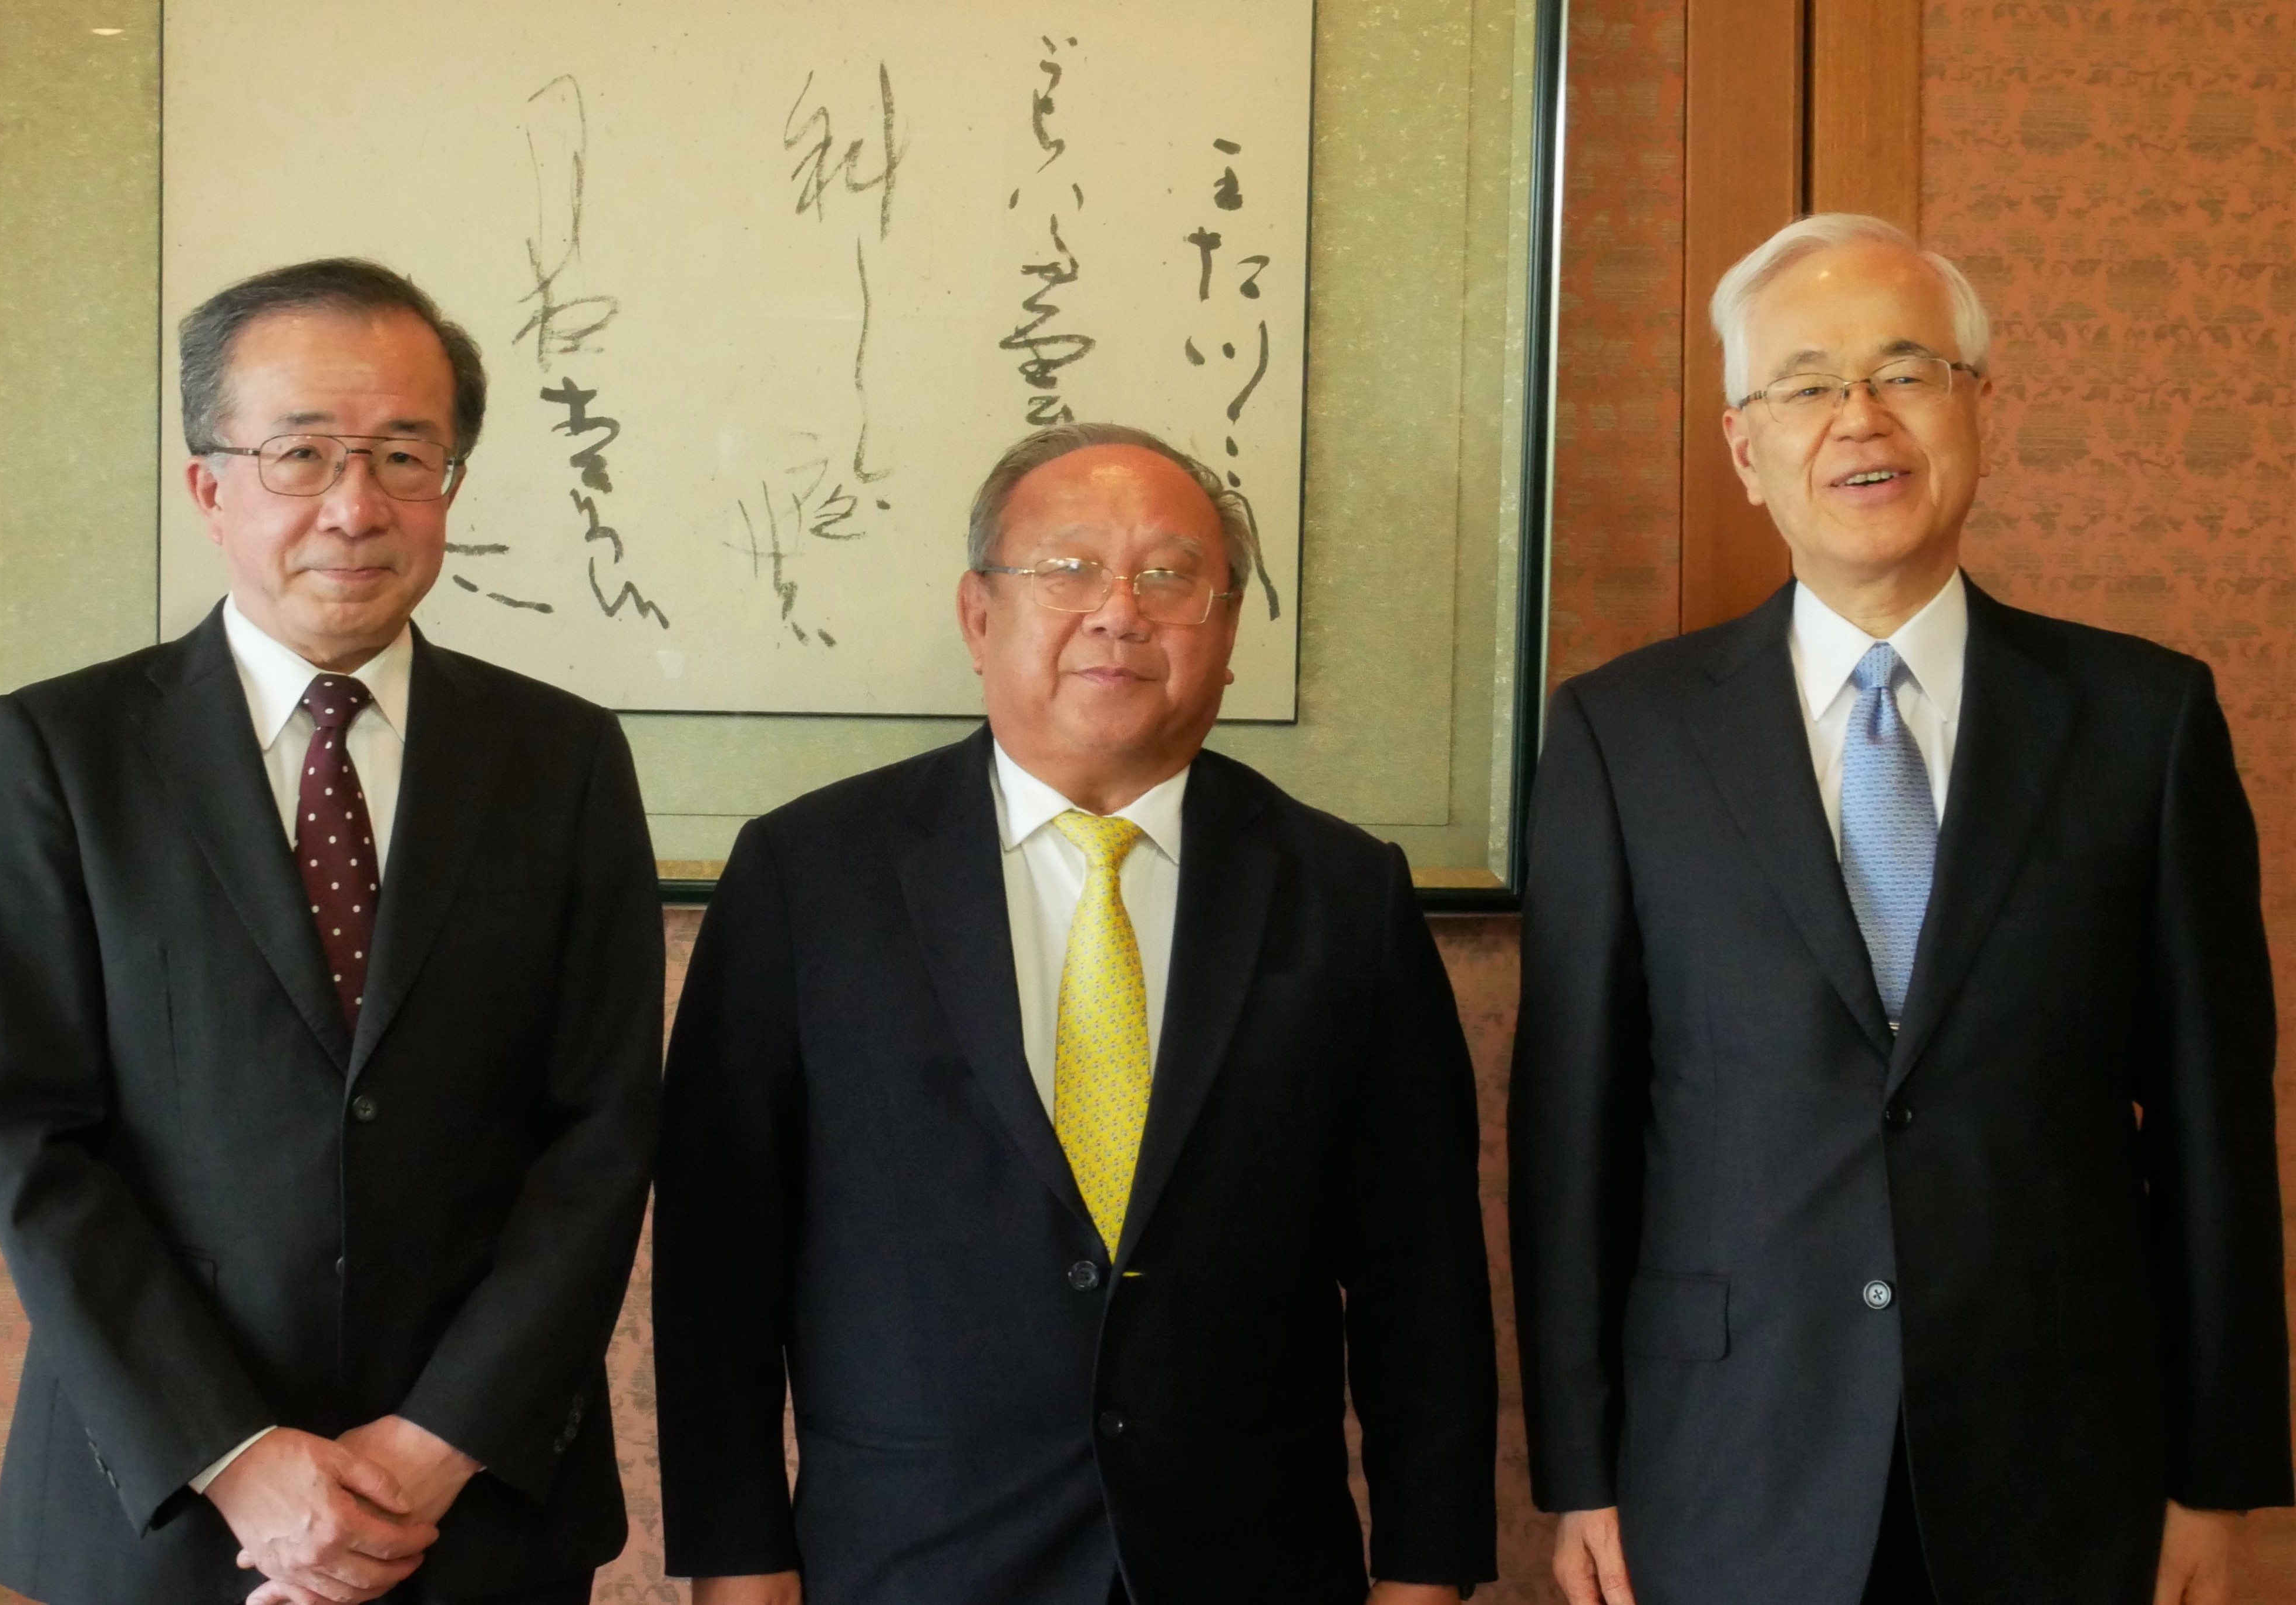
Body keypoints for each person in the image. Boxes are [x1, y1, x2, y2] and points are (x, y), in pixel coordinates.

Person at [1508, 211, 2291, 1605]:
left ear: (1979, 409)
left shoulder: (2139, 720)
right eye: (1804, 384)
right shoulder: (1620, 737)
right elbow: (1572, 1135)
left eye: (1905, 371)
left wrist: (2218, 1474)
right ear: (1746, 450)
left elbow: (2213, 1125)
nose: (1857, 417)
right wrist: (1578, 1468)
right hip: (1726, 1458)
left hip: (2068, 1462)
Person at [652, 422, 1499, 1605]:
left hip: (1253, 1565)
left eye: (1168, 576)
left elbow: (1423, 1273)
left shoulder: (1344, 893)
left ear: (1227, 630)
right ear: (976, 615)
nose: (1118, 610)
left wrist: (1426, 1568)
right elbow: (717, 1259)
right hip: (911, 1565)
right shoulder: (808, 878)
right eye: (1066, 570)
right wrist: (736, 1566)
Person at [0, 258, 662, 1605]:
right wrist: (232, 1455)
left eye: (405, 454)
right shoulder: (65, 749)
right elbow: (37, 1137)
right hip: (160, 1514)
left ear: (450, 481)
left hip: (474, 1511)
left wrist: (430, 1445)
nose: (355, 504)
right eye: (300, 453)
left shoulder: (560, 758)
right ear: (209, 485)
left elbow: (601, 1129)